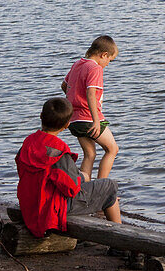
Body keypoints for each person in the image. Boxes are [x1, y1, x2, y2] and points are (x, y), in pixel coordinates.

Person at [16, 96, 121, 240]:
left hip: (32, 200)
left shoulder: (28, 143)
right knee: (109, 186)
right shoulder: (59, 151)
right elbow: (71, 188)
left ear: (41, 116)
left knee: (85, 179)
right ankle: (119, 243)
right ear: (67, 125)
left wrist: (80, 176)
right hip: (52, 207)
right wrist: (81, 177)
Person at [61, 36, 120, 180]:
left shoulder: (77, 64)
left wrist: (74, 100)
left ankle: (83, 189)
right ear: (103, 55)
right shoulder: (95, 68)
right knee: (112, 149)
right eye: (109, 61)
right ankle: (102, 188)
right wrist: (95, 121)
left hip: (74, 119)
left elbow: (64, 86)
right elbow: (91, 93)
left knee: (90, 154)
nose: (107, 64)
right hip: (89, 118)